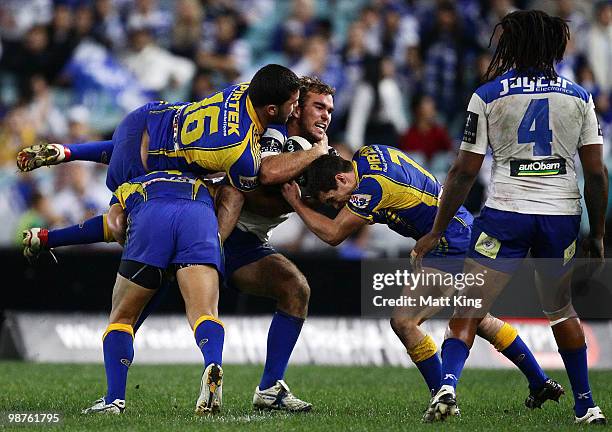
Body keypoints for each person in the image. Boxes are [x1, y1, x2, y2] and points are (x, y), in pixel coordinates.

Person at [22, 76, 337, 413]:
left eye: (330, 110)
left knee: (295, 288)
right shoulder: (274, 138)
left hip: (226, 233)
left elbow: (127, 157)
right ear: (294, 106)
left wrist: (69, 158)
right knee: (156, 309)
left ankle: (268, 388)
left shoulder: (287, 139)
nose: (326, 116)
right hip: (209, 223)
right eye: (319, 107)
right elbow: (260, 176)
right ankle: (131, 385)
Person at [412, 10, 607, 424]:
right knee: (560, 309)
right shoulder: (579, 96)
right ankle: (586, 404)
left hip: (506, 212)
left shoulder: (488, 94)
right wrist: (599, 232)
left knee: (469, 306)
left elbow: (464, 170)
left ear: (511, 45)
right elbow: (596, 172)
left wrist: (437, 230)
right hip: (560, 216)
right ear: (553, 46)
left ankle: (447, 385)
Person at [281, 146, 563, 413]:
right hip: (460, 229)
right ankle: (539, 382)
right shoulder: (367, 155)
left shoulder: (370, 189)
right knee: (478, 319)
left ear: (342, 178)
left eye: (333, 198)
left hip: (447, 242)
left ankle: (443, 396)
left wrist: (296, 203)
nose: (337, 204)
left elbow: (332, 234)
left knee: (405, 321)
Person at [16, 63, 301, 192]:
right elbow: (239, 191)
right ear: (272, 110)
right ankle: (48, 239)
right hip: (141, 165)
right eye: (293, 103)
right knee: (119, 227)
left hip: (144, 116)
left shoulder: (241, 89)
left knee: (122, 148)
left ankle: (66, 151)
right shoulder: (243, 155)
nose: (296, 109)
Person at [81, 170, 225, 415]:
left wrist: (49, 239)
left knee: (123, 317)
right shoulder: (203, 180)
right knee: (204, 312)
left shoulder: (130, 183)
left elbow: (113, 225)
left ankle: (114, 399)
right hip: (198, 217)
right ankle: (213, 362)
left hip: (151, 218)